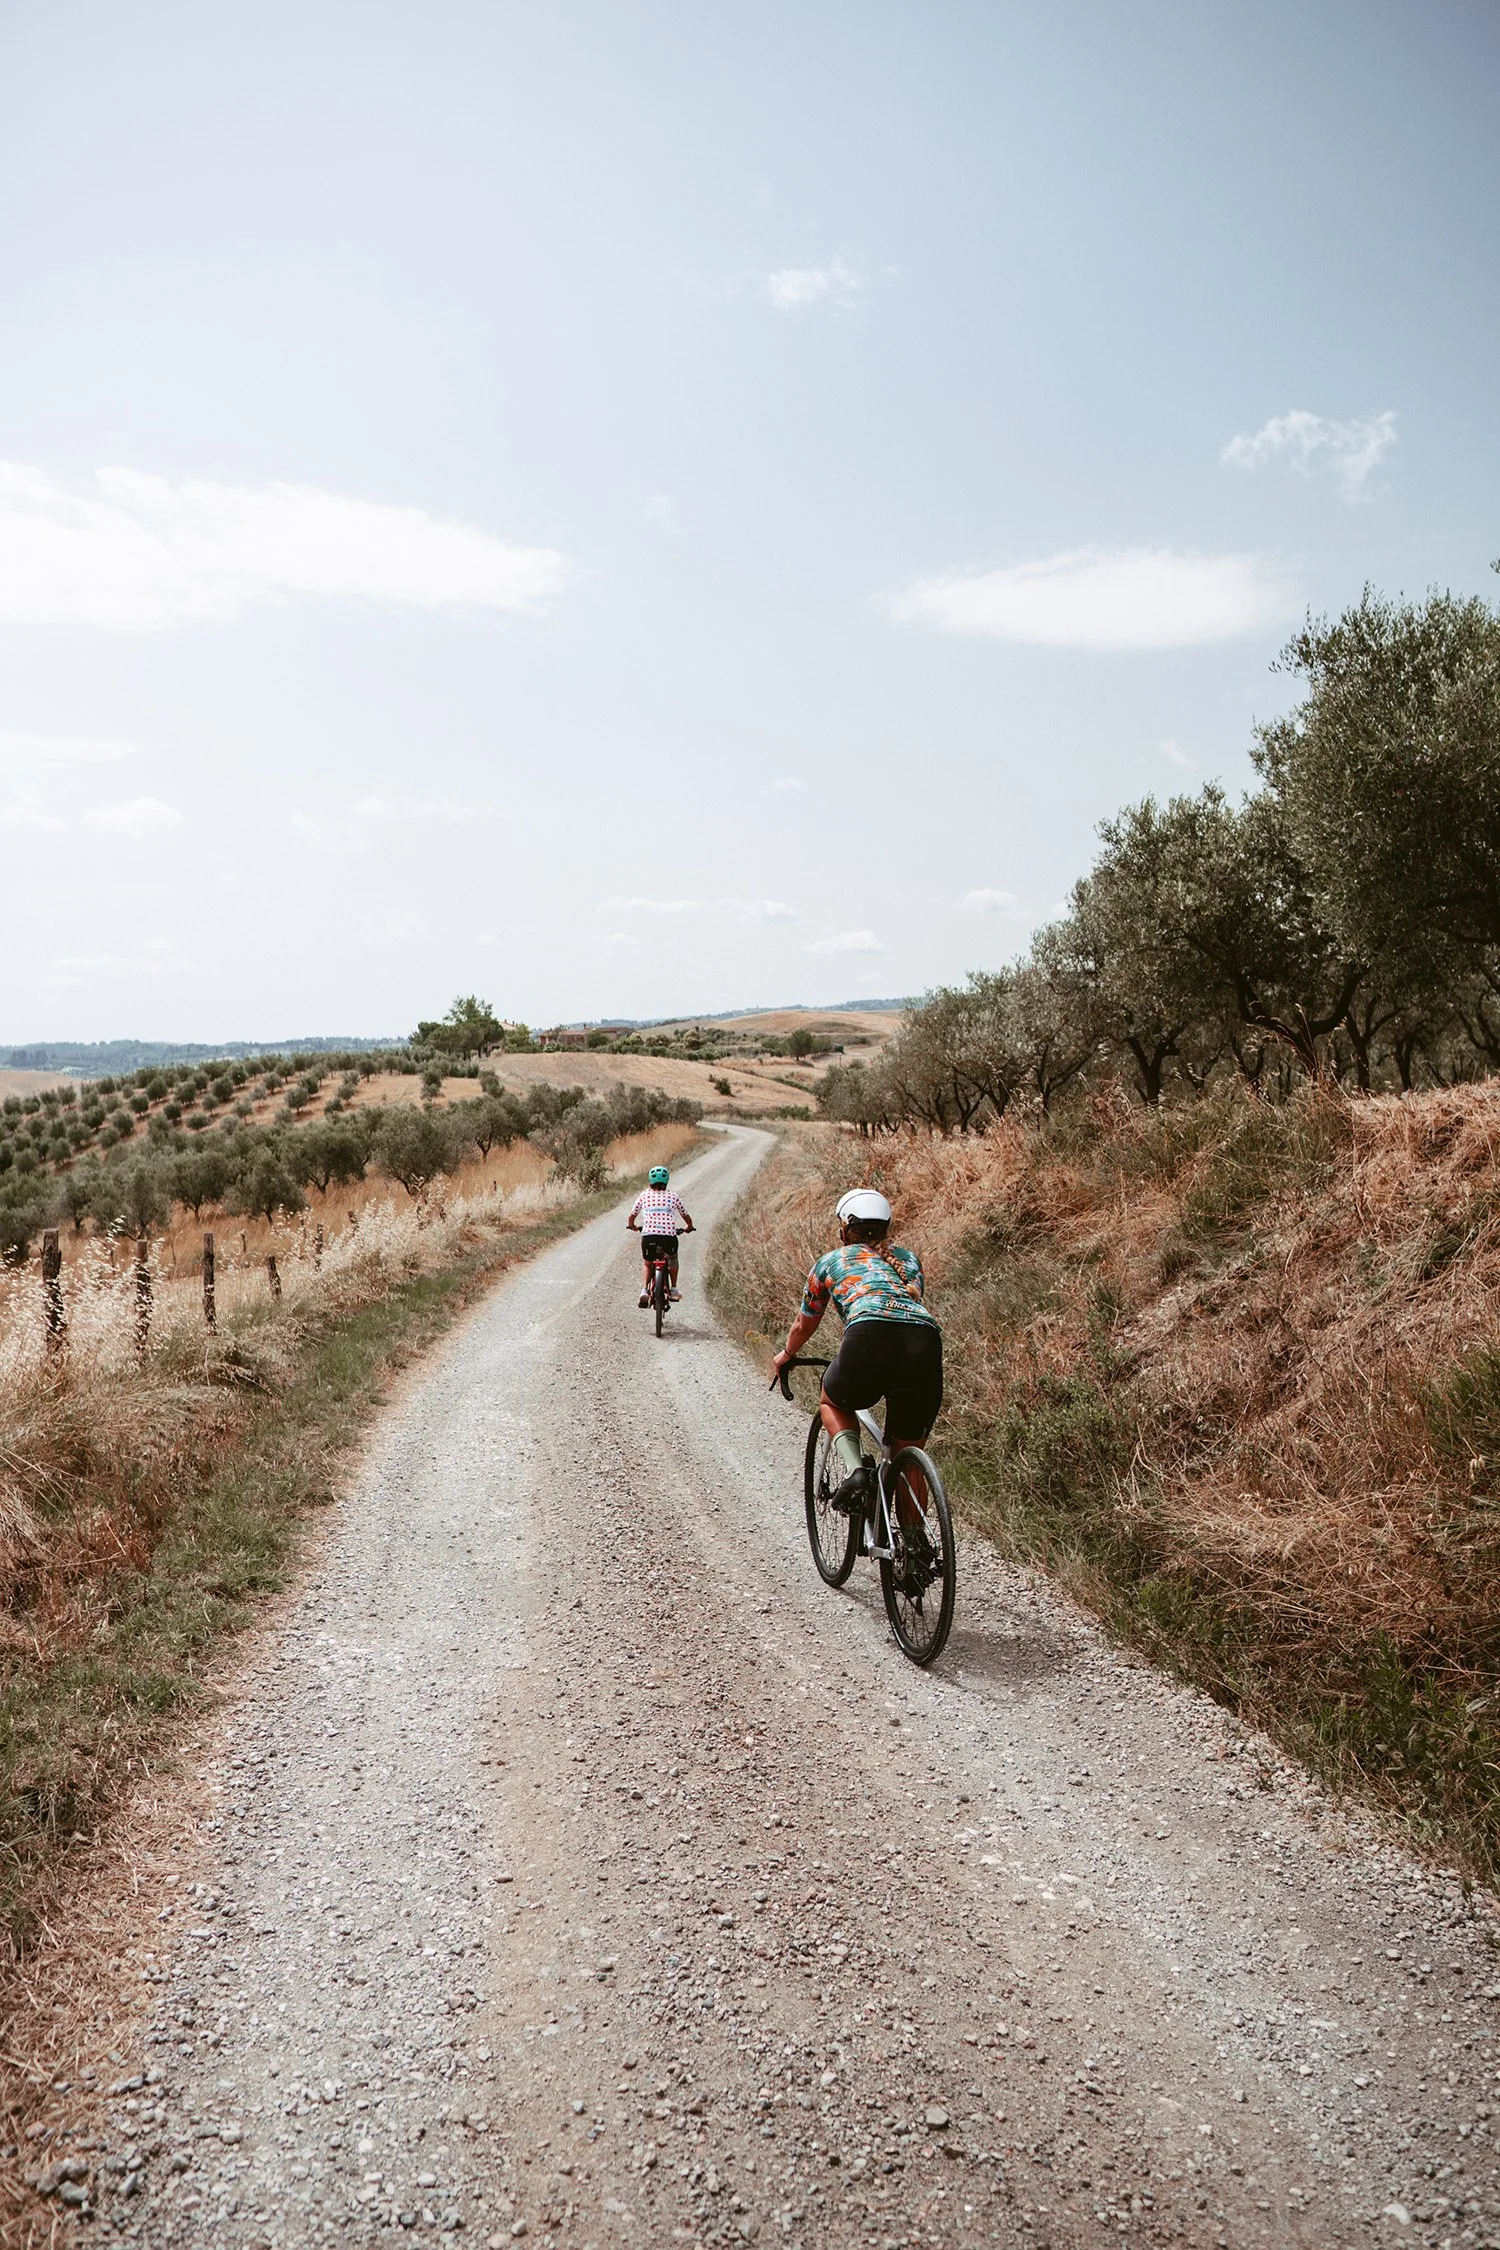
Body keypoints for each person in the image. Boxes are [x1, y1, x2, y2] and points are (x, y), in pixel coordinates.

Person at [771, 1187, 942, 1516]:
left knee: (831, 1399)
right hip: (925, 1342)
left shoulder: (830, 1261)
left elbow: (804, 1325)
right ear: (886, 1227)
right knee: (909, 1457)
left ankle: (855, 1472)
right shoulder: (908, 1260)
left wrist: (786, 1354)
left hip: (869, 1336)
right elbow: (904, 1304)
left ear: (844, 1229)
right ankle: (914, 1550)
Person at [627, 1165, 695, 1307]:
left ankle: (644, 1291)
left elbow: (632, 1214)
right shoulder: (673, 1196)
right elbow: (685, 1215)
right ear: (667, 1181)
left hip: (649, 1236)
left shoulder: (644, 1195)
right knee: (672, 1259)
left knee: (647, 1263)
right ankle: (674, 1289)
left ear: (650, 1181)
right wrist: (689, 1227)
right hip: (669, 1236)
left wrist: (632, 1225)